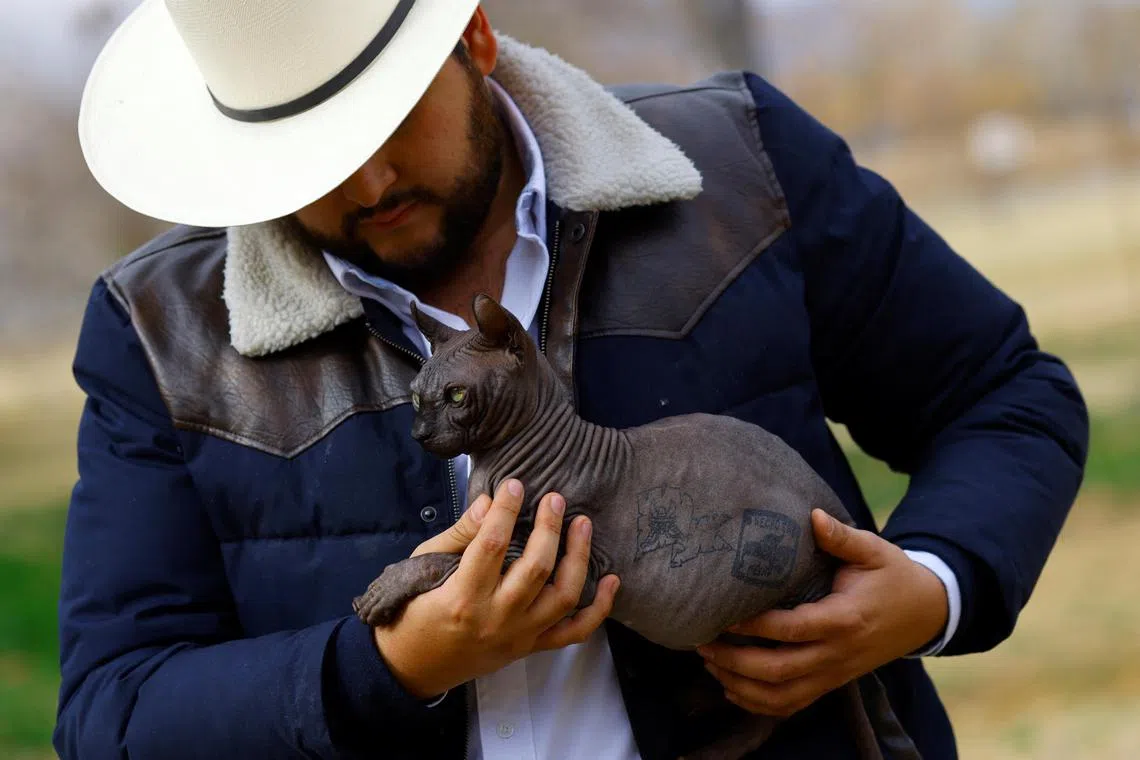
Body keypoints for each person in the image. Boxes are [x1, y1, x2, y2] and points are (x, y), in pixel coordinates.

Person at [56, 2, 1089, 759]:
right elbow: (112, 710)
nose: (367, 183)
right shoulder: (158, 332)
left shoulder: (747, 169)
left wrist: (931, 586)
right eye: (312, 155)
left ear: (474, 36)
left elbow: (1004, 397)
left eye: (391, 122)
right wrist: (390, 669)